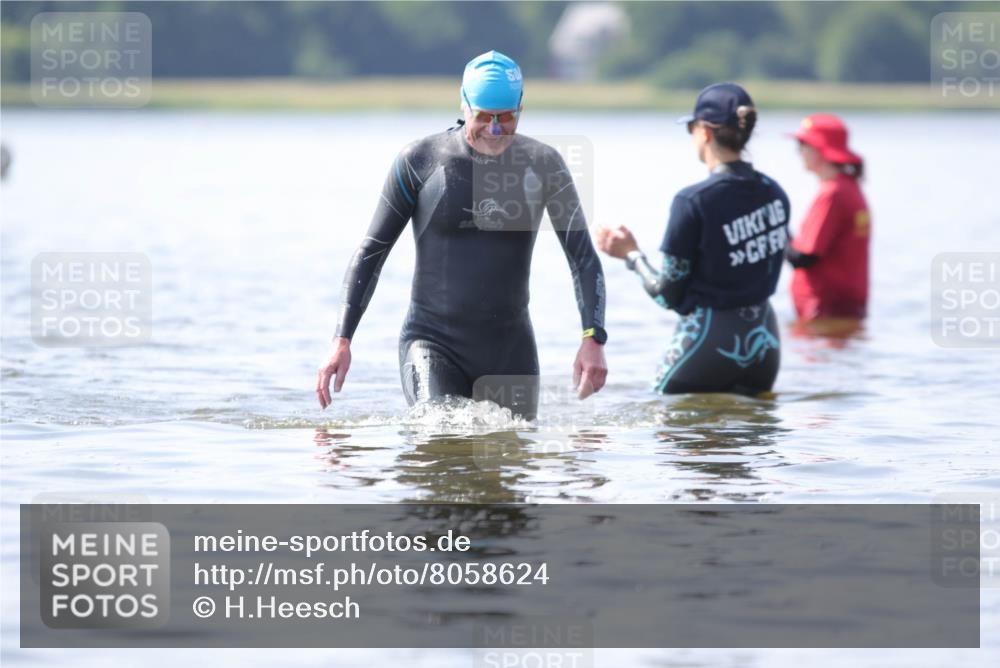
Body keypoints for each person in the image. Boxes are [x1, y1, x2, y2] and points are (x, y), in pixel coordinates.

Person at [315, 51, 608, 419]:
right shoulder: (421, 160)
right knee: (441, 437)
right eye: (485, 117)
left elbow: (582, 256)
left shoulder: (544, 164)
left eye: (507, 117)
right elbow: (373, 250)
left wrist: (592, 338)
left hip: (510, 350)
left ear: (520, 107)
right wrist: (341, 340)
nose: (496, 129)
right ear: (464, 104)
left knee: (509, 458)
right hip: (433, 344)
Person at [595, 82, 789, 395]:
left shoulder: (693, 201)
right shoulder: (775, 193)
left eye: (691, 128)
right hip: (765, 342)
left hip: (710, 340)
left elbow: (667, 295)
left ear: (705, 131)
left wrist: (630, 255)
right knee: (752, 440)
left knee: (666, 427)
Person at [785, 114, 870, 332]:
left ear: (818, 149)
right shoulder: (850, 188)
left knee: (815, 364)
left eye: (802, 145)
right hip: (842, 310)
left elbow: (805, 257)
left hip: (824, 313)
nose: (798, 152)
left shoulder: (832, 193)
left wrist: (776, 231)